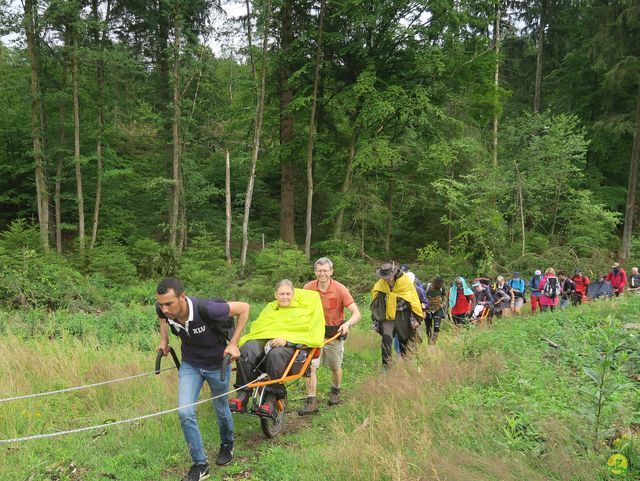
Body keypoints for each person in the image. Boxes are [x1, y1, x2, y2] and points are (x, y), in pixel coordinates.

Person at [155, 277, 250, 480]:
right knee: (184, 411)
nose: (164, 309)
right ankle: (200, 464)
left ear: (183, 297)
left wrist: (234, 343)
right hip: (191, 365)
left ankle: (227, 443)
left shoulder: (207, 309)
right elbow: (162, 319)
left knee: (221, 407)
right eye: (161, 304)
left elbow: (244, 308)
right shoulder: (163, 309)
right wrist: (164, 340)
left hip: (217, 364)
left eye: (169, 304)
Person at [229, 280, 325, 415]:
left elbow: (308, 331)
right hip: (266, 338)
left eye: (288, 294)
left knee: (276, 354)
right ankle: (243, 395)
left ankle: (271, 397)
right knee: (247, 348)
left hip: (290, 345)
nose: (285, 297)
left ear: (293, 294)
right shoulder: (270, 308)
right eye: (281, 294)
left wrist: (286, 341)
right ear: (275, 295)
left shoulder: (303, 310)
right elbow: (260, 328)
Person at [298, 257, 361, 415]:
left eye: (325, 270)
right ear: (315, 272)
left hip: (334, 333)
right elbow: (299, 309)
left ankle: (335, 391)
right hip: (314, 333)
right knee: (310, 367)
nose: (322, 273)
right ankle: (311, 401)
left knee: (335, 367)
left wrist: (347, 324)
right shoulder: (308, 288)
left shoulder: (340, 289)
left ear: (331, 271)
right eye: (319, 271)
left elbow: (356, 313)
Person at [371, 262, 424, 367]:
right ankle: (386, 366)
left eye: (388, 277)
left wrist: (415, 318)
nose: (386, 279)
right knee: (386, 339)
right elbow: (377, 302)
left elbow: (413, 300)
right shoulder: (381, 284)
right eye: (384, 277)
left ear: (393, 274)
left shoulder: (405, 282)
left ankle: (405, 364)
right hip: (387, 316)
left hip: (402, 314)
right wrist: (377, 320)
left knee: (403, 339)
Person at [424, 277, 447, 343]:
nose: (440, 287)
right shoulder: (426, 287)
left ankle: (434, 341)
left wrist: (443, 303)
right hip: (427, 310)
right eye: (439, 285)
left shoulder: (442, 288)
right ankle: (429, 340)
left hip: (437, 310)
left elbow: (444, 296)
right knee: (428, 327)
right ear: (435, 284)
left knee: (437, 326)